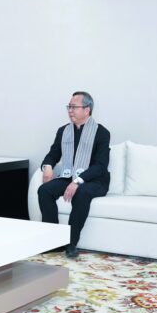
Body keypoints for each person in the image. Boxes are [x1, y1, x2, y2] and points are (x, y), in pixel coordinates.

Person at [38, 91, 111, 258]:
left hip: (94, 180)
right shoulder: (63, 131)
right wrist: (47, 166)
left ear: (87, 109)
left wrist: (78, 181)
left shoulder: (101, 133)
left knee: (82, 192)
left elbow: (100, 166)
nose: (70, 110)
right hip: (68, 176)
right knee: (44, 190)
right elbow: (53, 154)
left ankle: (71, 243)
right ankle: (53, 241)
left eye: (74, 107)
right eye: (69, 107)